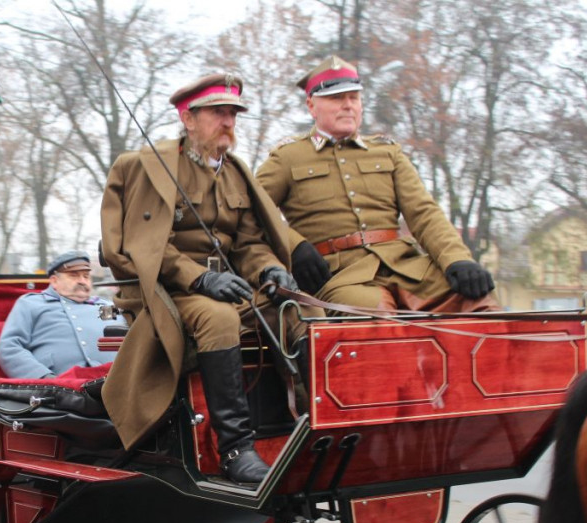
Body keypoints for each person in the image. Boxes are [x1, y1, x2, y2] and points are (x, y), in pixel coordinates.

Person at [100, 73, 306, 485]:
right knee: (220, 319)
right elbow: (141, 244)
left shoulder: (234, 173)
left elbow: (248, 243)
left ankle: (311, 424)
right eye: (218, 113)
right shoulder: (149, 166)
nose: (228, 121)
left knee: (294, 312)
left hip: (226, 287)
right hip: (166, 290)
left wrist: (267, 268)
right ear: (188, 118)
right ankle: (235, 449)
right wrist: (197, 279)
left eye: (232, 114)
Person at [256, 55, 499, 313]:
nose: (348, 105)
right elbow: (251, 211)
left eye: (354, 98)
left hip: (405, 268)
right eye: (337, 98)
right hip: (341, 276)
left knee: (479, 301)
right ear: (311, 106)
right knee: (374, 319)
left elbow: (424, 214)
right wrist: (294, 246)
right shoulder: (287, 157)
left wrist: (457, 260)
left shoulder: (387, 152)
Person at [0, 250, 117, 379]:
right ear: (54, 281)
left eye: (86, 276)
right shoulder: (32, 303)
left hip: (112, 382)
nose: (82, 281)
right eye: (74, 275)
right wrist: (43, 377)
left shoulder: (104, 306)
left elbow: (121, 335)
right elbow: (9, 346)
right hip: (59, 387)